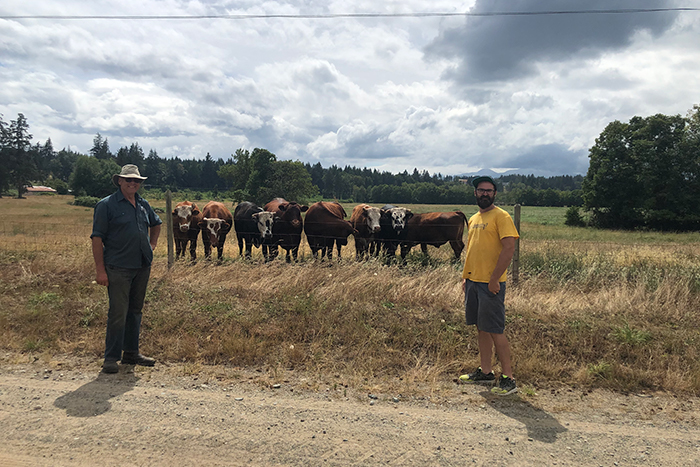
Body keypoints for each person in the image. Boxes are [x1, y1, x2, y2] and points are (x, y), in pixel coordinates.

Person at [91, 164, 162, 374]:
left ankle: (131, 353)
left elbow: (156, 223)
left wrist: (152, 245)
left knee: (135, 311)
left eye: (137, 180)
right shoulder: (106, 205)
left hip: (141, 266)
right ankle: (111, 358)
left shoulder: (142, 204)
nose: (133, 183)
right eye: (129, 179)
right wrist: (100, 271)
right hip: (118, 267)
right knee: (118, 312)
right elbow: (97, 238)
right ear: (119, 181)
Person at [459, 175, 520, 395]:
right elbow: (474, 250)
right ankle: (485, 372)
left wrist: (495, 279)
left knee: (495, 330)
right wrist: (466, 277)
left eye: (489, 190)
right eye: (481, 190)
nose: (485, 193)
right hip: (474, 282)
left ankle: (508, 379)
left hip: (491, 284)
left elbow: (509, 249)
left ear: (495, 194)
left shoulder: (501, 216)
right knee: (481, 328)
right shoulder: (474, 218)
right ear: (475, 193)